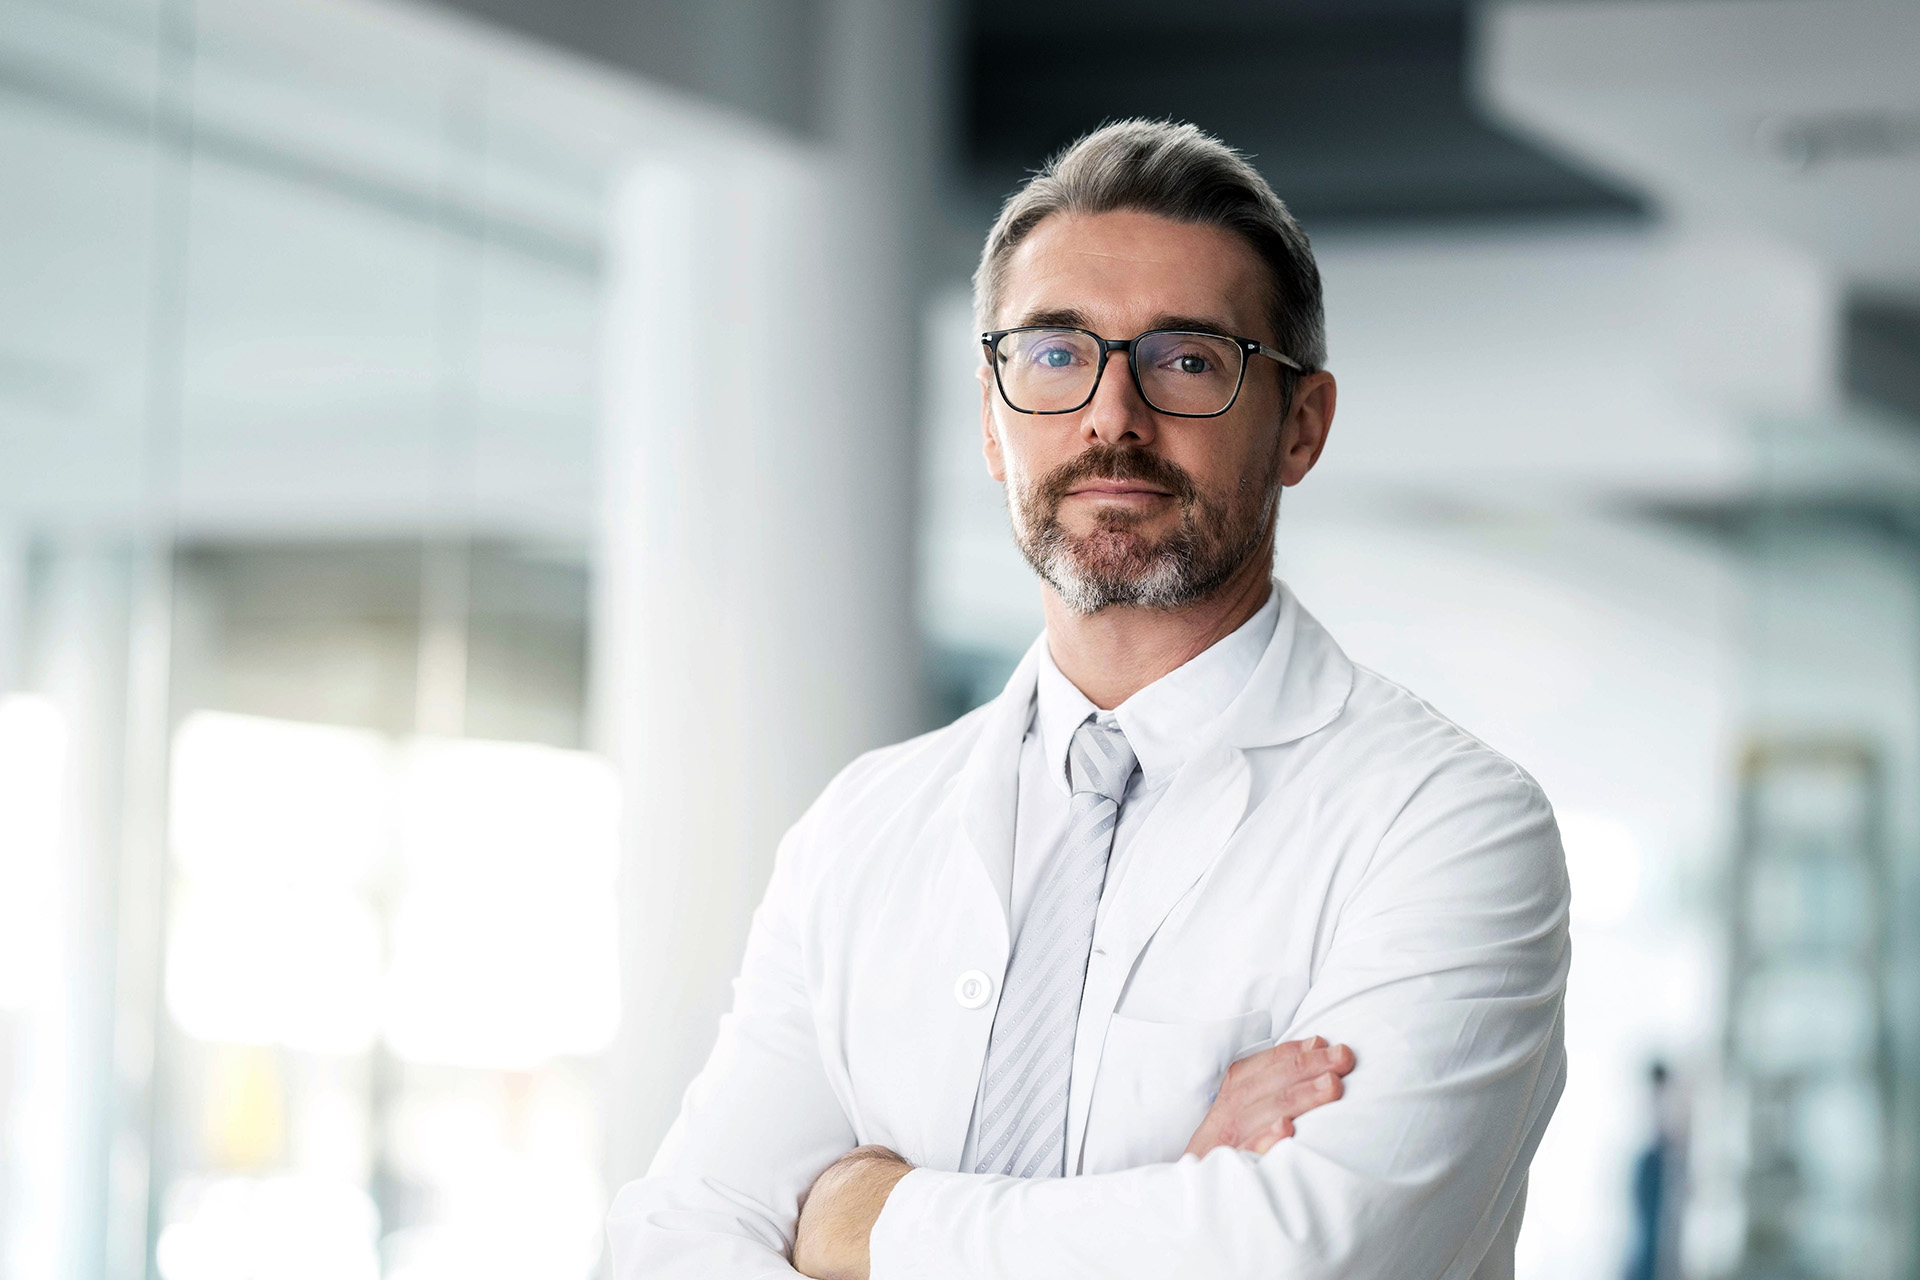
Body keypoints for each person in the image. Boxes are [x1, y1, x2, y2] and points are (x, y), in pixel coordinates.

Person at [607, 119, 1570, 1280]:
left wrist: (863, 1218)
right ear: (991, 416)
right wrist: (1173, 1200)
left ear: (1301, 427)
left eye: (1187, 359)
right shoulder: (861, 828)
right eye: (1056, 355)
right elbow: (669, 1241)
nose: (1112, 415)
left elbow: (1301, 1257)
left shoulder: (1448, 825)